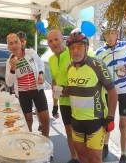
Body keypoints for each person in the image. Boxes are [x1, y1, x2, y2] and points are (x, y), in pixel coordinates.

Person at [66, 31, 118, 163]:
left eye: (79, 47)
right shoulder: (70, 68)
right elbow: (73, 89)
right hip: (76, 119)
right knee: (82, 156)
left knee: (94, 159)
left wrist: (111, 117)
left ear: (87, 48)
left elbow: (112, 91)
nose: (75, 51)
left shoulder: (97, 65)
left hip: (95, 120)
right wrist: (60, 92)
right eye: (72, 48)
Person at [95, 21, 126, 163]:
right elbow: (97, 74)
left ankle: (124, 155)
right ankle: (105, 147)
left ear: (118, 34)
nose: (110, 36)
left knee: (123, 125)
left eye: (113, 32)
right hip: (108, 92)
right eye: (107, 32)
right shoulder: (99, 52)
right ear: (104, 34)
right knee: (107, 122)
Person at [5, 33, 50, 137]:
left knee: (45, 119)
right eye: (11, 44)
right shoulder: (9, 62)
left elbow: (40, 63)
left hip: (37, 90)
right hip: (23, 93)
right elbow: (9, 82)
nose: (14, 46)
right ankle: (29, 140)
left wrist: (40, 75)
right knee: (27, 120)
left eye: (16, 42)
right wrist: (12, 68)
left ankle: (46, 142)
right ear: (8, 47)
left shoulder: (31, 53)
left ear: (21, 43)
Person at [47, 29, 79, 163]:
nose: (53, 43)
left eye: (56, 39)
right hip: (65, 102)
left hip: (80, 100)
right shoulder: (51, 59)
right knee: (69, 131)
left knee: (83, 132)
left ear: (62, 39)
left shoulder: (73, 52)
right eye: (50, 41)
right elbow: (55, 82)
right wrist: (55, 105)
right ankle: (74, 158)